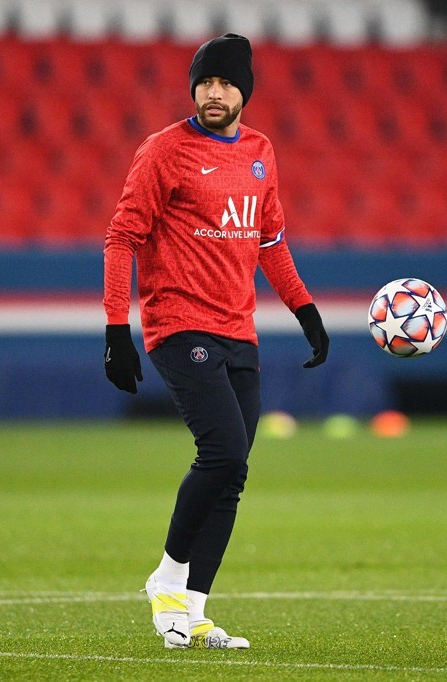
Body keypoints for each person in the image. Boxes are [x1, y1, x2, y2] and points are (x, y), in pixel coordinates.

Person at [102, 33, 329, 648]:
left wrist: (305, 310)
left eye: (227, 84)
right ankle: (169, 579)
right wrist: (116, 329)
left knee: (234, 474)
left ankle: (189, 610)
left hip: (239, 330)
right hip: (179, 325)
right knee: (223, 451)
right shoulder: (163, 152)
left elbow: (271, 241)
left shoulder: (260, 151)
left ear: (244, 93)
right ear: (193, 88)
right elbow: (121, 236)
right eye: (205, 83)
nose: (214, 93)